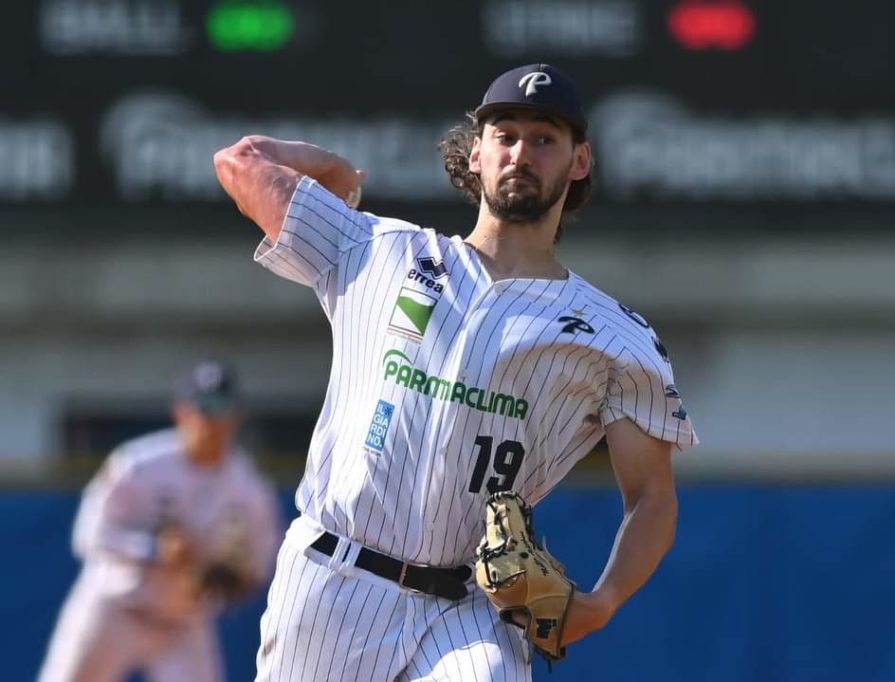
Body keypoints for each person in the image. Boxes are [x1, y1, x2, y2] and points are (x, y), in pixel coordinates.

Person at [214, 62, 698, 681]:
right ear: (476, 155)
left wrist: (601, 603)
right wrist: (333, 171)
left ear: (579, 161)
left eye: (544, 139)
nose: (521, 152)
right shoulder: (379, 250)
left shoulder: (613, 336)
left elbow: (652, 497)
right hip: (335, 579)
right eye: (505, 135)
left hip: (470, 604)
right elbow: (241, 161)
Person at [38, 360, 282, 682]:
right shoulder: (138, 464)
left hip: (183, 621)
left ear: (237, 416)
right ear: (182, 412)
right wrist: (154, 548)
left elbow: (261, 562)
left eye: (224, 408)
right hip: (116, 607)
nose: (214, 420)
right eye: (205, 408)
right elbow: (89, 535)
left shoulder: (248, 487)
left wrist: (223, 576)